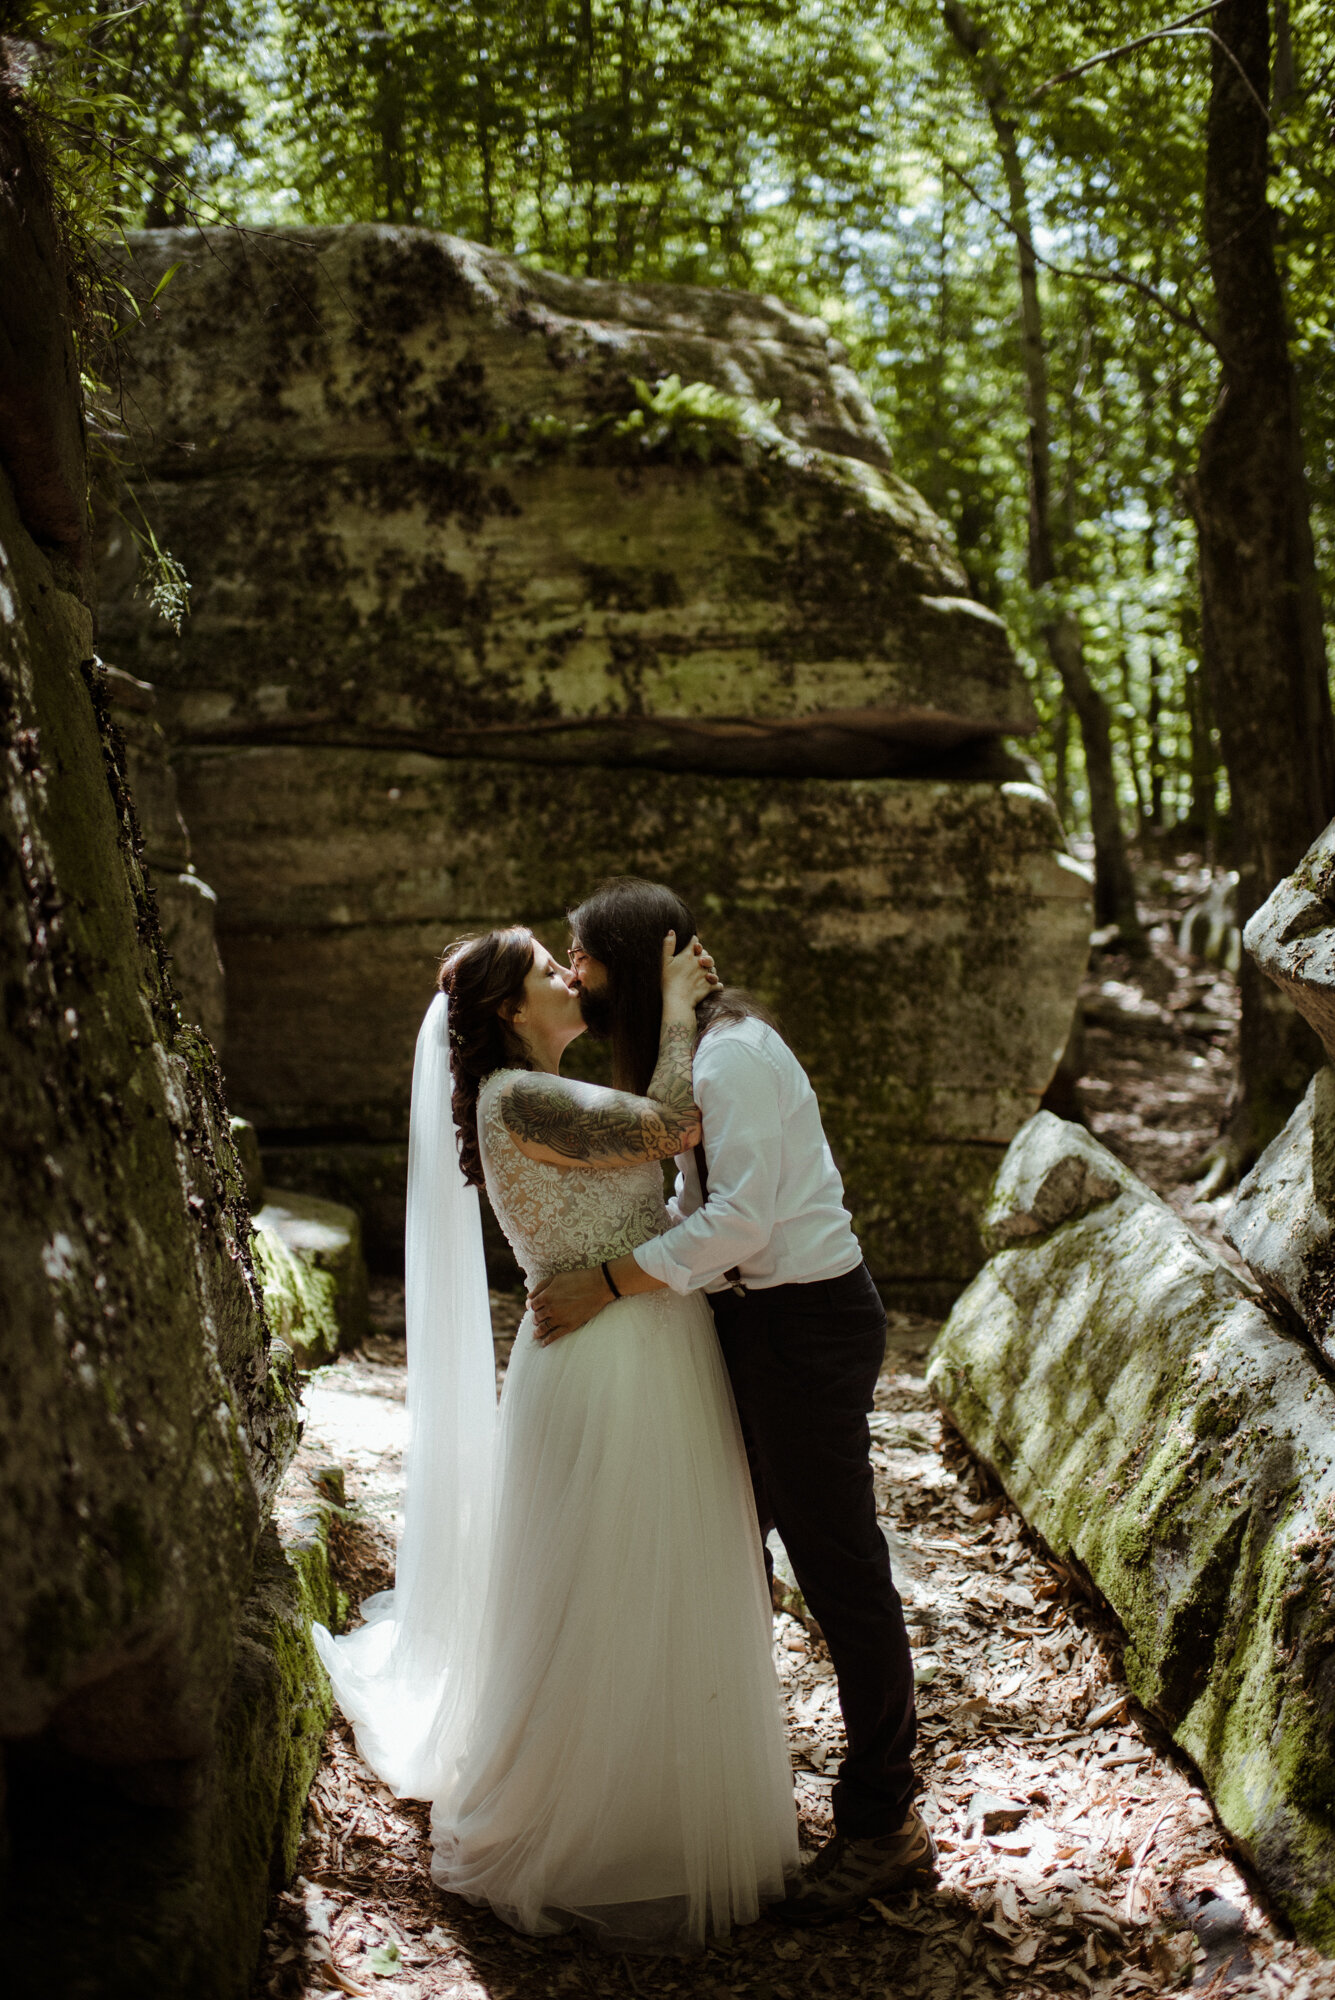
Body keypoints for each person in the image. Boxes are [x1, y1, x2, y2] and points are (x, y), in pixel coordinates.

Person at [314, 926, 798, 1954]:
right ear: (505, 1009)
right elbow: (673, 1126)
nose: (568, 977)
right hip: (598, 1366)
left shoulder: (552, 1092)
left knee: (664, 1577)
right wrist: (669, 1001)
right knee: (601, 1581)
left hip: (653, 1342)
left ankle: (665, 1808)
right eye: (546, 970)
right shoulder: (518, 1098)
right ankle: (586, 1831)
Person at [530, 878, 935, 1923]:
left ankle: (885, 1817)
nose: (572, 974)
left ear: (630, 956)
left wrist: (612, 1280)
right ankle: (707, 1788)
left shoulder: (733, 1053)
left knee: (839, 1564)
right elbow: (697, 1203)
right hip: (753, 1322)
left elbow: (747, 1218)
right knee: (717, 1540)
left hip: (806, 1322)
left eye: (582, 955)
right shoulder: (693, 1050)